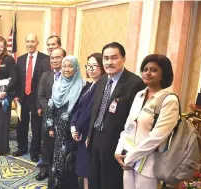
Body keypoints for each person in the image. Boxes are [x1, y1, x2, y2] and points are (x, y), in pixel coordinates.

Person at [87, 42, 146, 189]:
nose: (109, 62)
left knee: (111, 182)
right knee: (95, 179)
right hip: (96, 139)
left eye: (114, 58)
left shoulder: (135, 83)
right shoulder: (101, 80)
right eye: (106, 58)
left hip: (116, 142)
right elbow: (96, 110)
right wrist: (90, 134)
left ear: (123, 59)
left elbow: (135, 120)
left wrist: (125, 148)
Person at [115, 54, 179, 189]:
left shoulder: (169, 100)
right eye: (145, 69)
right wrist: (119, 150)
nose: (147, 73)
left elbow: (157, 137)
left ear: (164, 74)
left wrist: (131, 157)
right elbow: (128, 126)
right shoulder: (139, 95)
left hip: (149, 165)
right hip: (128, 160)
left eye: (154, 70)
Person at [43, 56, 84, 189]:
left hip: (72, 131)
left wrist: (76, 127)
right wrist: (50, 125)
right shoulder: (58, 84)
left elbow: (82, 110)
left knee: (69, 160)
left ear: (76, 67)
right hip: (58, 129)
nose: (67, 69)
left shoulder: (82, 86)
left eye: (70, 66)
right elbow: (51, 105)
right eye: (64, 66)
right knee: (57, 158)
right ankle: (56, 185)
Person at [13, 33, 50, 162]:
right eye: (27, 41)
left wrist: (41, 100)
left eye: (32, 41)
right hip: (22, 97)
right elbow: (18, 79)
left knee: (36, 126)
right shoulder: (21, 59)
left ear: (37, 43)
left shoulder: (45, 59)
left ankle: (34, 151)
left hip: (36, 98)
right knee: (21, 124)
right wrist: (16, 95)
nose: (30, 44)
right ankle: (22, 147)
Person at [70, 53, 105, 189]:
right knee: (84, 171)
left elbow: (90, 112)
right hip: (80, 133)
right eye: (88, 65)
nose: (90, 69)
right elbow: (78, 109)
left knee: (88, 172)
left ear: (102, 67)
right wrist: (73, 126)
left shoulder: (101, 88)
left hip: (88, 135)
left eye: (94, 66)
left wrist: (77, 127)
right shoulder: (89, 85)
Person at [35, 47, 66, 181]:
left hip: (64, 117)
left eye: (58, 57)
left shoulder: (69, 75)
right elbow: (41, 96)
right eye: (52, 58)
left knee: (61, 144)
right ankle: (45, 169)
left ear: (64, 58)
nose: (54, 60)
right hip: (48, 116)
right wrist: (50, 109)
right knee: (47, 144)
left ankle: (59, 170)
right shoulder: (45, 75)